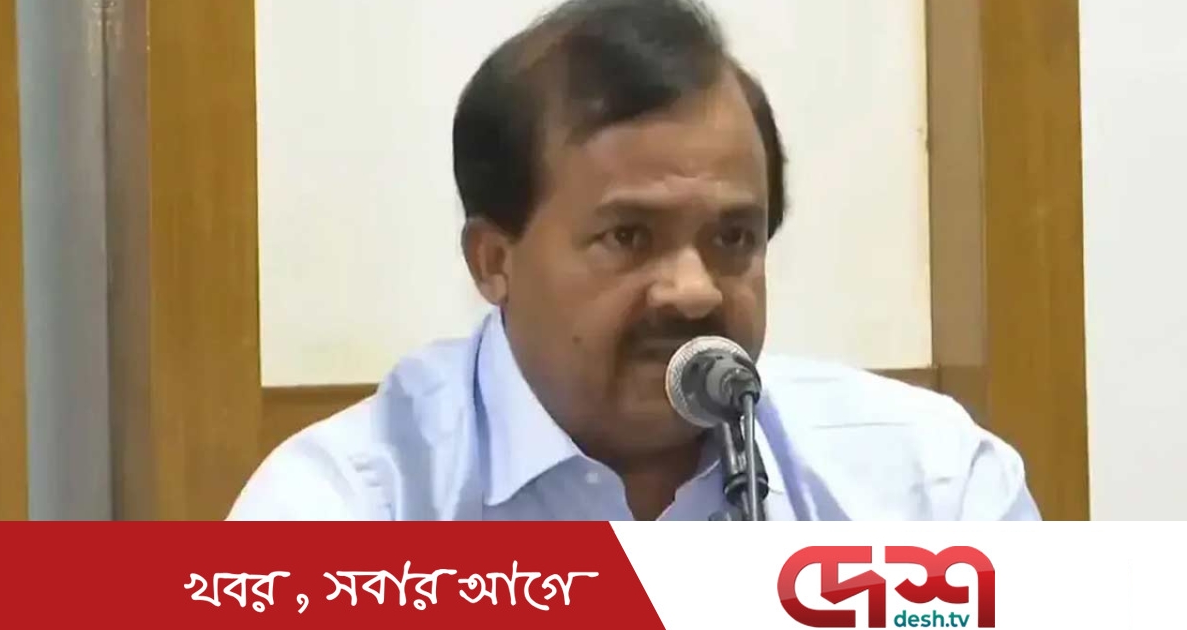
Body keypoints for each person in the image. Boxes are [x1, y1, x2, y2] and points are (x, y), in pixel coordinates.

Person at [228, 0, 1040, 521]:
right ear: (493, 259)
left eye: (733, 239)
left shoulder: (930, 490)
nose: (692, 292)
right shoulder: (343, 512)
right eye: (628, 237)